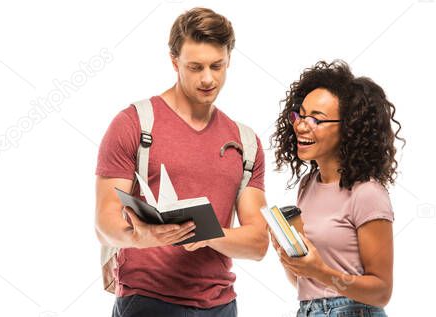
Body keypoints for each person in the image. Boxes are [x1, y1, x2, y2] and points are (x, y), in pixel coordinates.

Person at [94, 7, 268, 317]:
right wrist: (139, 237)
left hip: (222, 306)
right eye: (195, 67)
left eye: (217, 66)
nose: (207, 78)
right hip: (146, 302)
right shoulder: (134, 124)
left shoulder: (246, 142)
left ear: (229, 60)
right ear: (174, 62)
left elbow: (258, 243)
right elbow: (104, 223)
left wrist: (205, 234)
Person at [269, 60, 402, 316]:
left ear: (348, 128)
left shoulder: (367, 194)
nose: (300, 125)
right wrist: (289, 255)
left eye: (316, 119)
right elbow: (307, 284)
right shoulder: (308, 186)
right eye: (300, 114)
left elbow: (382, 291)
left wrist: (321, 272)